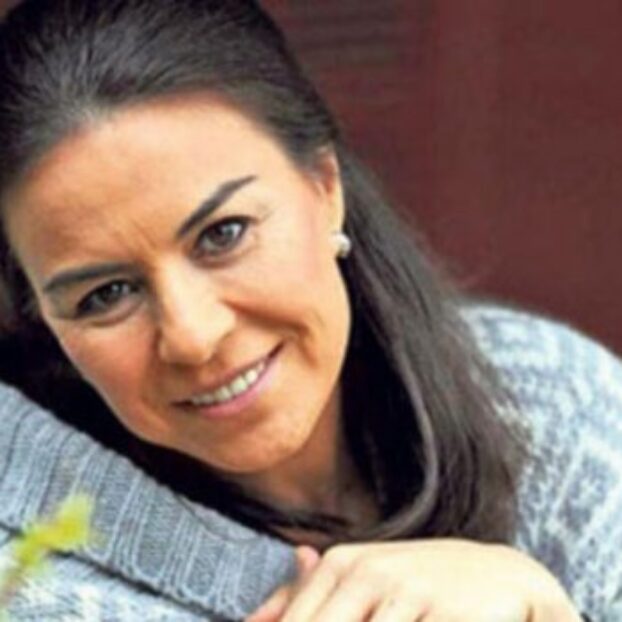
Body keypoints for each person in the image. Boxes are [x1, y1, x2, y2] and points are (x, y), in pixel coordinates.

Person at [0, 0, 619, 620]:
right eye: (105, 295)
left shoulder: (558, 403)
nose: (194, 335)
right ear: (45, 321)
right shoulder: (25, 586)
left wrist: (533, 597)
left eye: (223, 234)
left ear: (325, 186)